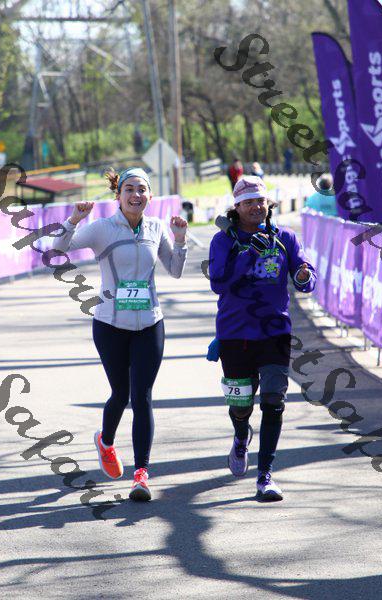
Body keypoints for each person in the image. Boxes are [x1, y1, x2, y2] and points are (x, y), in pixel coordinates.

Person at [52, 167, 188, 501]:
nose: (136, 195)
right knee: (121, 393)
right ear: (118, 195)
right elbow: (58, 250)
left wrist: (180, 240)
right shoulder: (102, 228)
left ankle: (141, 474)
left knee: (142, 397)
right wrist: (73, 220)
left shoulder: (156, 228)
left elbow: (175, 270)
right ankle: (106, 442)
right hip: (110, 325)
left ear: (150, 196)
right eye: (129, 189)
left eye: (142, 189)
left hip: (150, 324)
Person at [208, 175, 316, 501]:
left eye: (260, 200)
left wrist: (304, 275)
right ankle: (241, 436)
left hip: (274, 332)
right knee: (241, 405)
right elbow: (219, 283)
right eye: (248, 202)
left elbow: (304, 277)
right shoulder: (223, 241)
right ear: (237, 207)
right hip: (235, 333)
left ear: (268, 204)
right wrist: (247, 253)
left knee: (273, 401)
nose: (255, 206)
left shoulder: (285, 237)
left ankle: (264, 475)